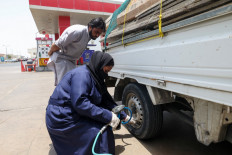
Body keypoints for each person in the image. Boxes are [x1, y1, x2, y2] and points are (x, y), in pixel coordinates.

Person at [46, 51, 135, 155]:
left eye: (108, 72)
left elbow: (106, 100)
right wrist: (108, 116)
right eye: (105, 70)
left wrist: (123, 116)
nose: (106, 74)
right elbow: (80, 103)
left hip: (72, 111)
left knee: (104, 124)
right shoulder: (82, 75)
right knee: (102, 131)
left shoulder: (97, 78)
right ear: (99, 65)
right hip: (61, 117)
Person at [47, 17, 106, 85]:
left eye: (99, 33)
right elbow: (57, 45)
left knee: (72, 84)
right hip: (62, 59)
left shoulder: (89, 35)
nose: (97, 35)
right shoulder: (77, 32)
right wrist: (50, 53)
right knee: (65, 85)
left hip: (71, 60)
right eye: (96, 32)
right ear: (90, 27)